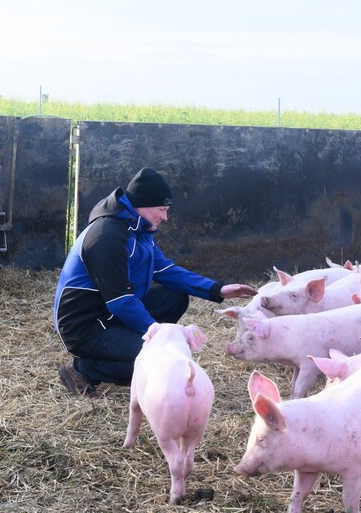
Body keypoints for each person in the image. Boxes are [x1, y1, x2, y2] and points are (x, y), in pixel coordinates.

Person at [53, 167, 257, 396]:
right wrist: (157, 333)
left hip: (110, 315)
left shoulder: (139, 231)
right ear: (142, 204)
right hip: (85, 325)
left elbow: (166, 270)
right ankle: (83, 369)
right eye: (161, 209)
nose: (165, 217)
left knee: (175, 297)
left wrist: (217, 289)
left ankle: (127, 345)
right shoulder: (106, 236)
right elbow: (120, 301)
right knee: (156, 361)